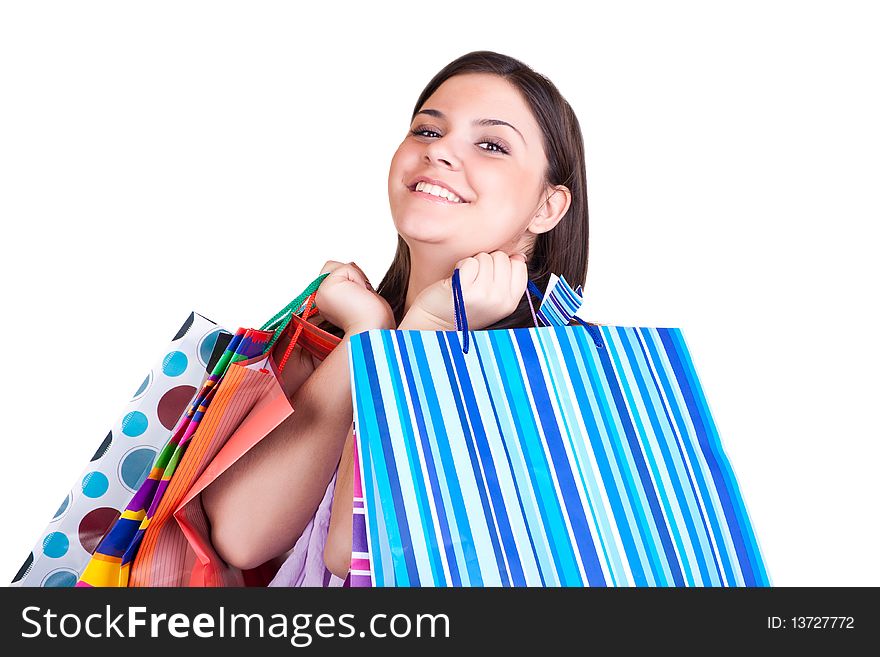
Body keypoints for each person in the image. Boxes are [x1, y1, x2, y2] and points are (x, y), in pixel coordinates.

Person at [201, 50, 591, 585]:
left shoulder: (556, 376)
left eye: (491, 145)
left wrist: (427, 330)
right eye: (428, 132)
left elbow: (359, 554)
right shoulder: (332, 331)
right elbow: (242, 537)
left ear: (547, 207)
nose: (441, 154)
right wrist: (369, 335)